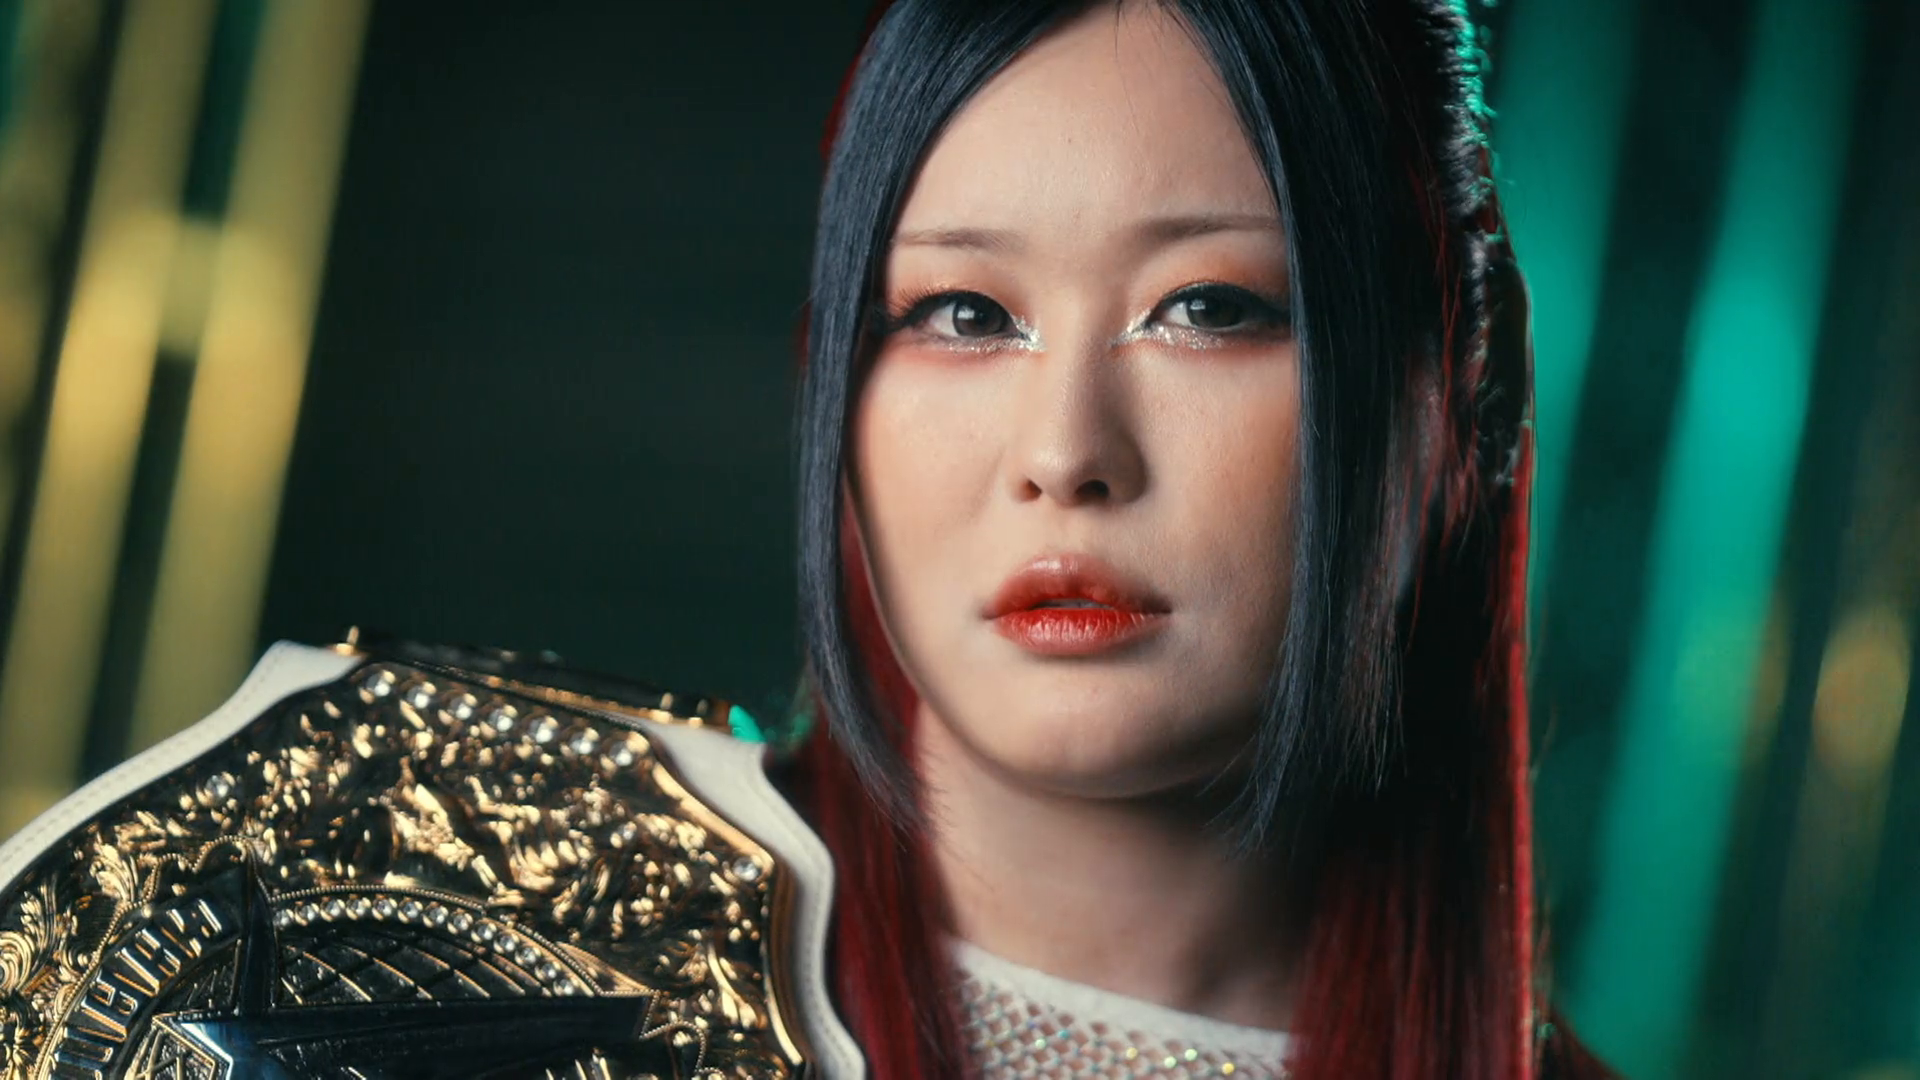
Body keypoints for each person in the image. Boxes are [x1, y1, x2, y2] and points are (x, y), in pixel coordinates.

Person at [0, 2, 1612, 1078]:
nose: (1065, 454)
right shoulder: (384, 868)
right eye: (963, 313)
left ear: (1451, 400)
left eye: (1207, 308)